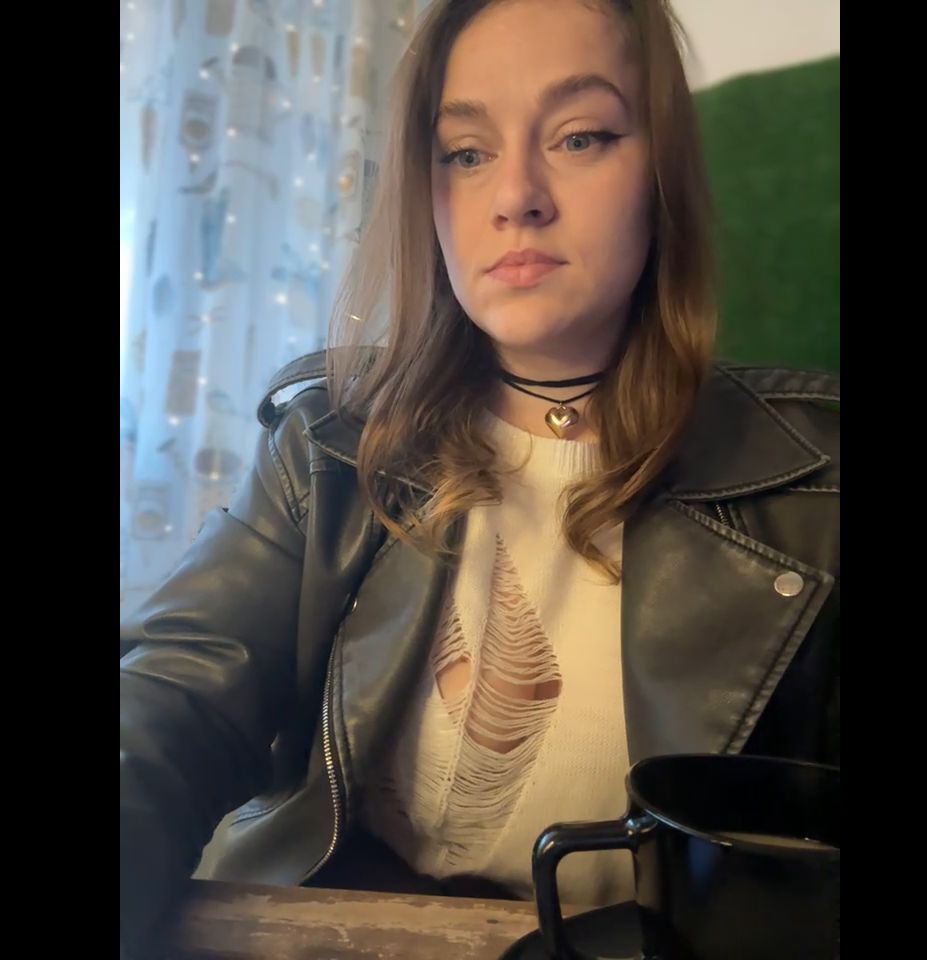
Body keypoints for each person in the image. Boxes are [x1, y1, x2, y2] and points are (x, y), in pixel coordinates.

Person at [120, 0, 839, 954]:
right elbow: (175, 699)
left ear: (661, 172)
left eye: (580, 137)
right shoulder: (329, 445)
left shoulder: (816, 486)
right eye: (465, 152)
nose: (516, 197)